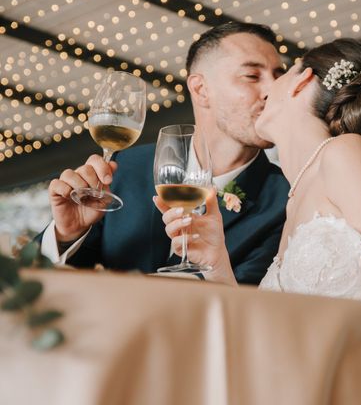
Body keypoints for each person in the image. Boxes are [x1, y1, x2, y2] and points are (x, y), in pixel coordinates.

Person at [157, 38, 361, 403]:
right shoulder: (297, 194)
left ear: (301, 81)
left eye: (281, 72)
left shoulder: (346, 154)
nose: (265, 90)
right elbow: (271, 338)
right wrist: (218, 263)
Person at [37, 22, 290, 284]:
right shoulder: (126, 168)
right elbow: (40, 287)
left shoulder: (285, 201)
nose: (274, 91)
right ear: (201, 89)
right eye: (252, 76)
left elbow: (253, 309)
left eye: (278, 77)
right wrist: (65, 235)